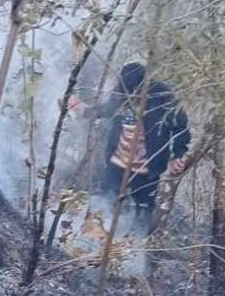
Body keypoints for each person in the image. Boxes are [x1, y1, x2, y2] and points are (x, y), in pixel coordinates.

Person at [81, 62, 190, 233]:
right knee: (105, 199)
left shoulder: (162, 95)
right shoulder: (120, 91)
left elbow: (180, 127)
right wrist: (84, 111)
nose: (132, 94)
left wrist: (178, 154)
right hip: (118, 161)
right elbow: (107, 110)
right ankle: (95, 240)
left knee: (143, 210)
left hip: (148, 166)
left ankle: (135, 249)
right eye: (128, 89)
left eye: (136, 89)